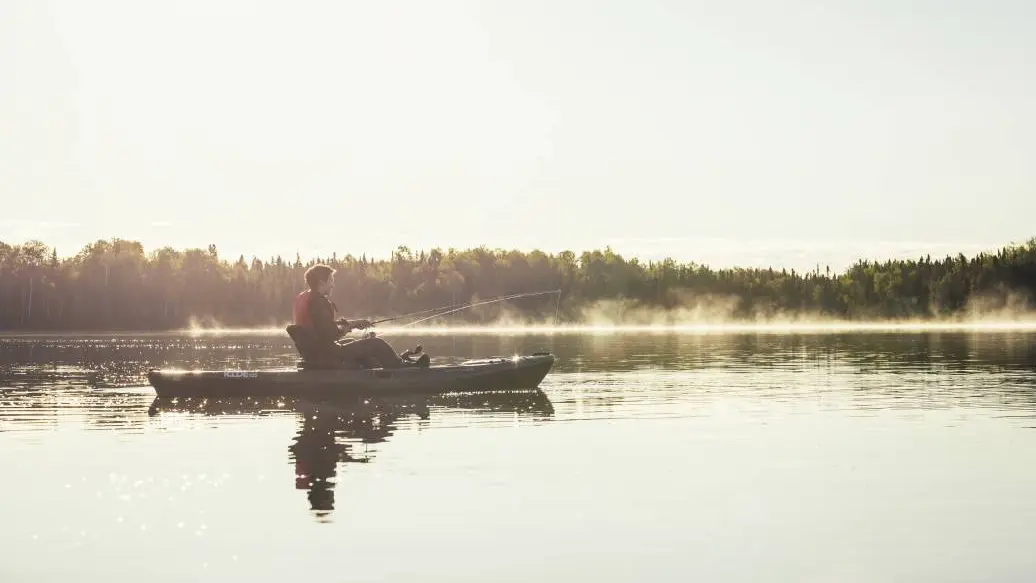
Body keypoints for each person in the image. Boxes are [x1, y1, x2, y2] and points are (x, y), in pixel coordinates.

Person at [292, 264, 427, 368]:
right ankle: (402, 367)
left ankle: (393, 361)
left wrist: (354, 324)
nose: (333, 285)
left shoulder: (307, 298)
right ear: (322, 282)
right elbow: (329, 334)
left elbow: (321, 326)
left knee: (356, 344)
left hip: (316, 354)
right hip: (326, 355)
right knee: (376, 344)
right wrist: (346, 329)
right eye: (331, 280)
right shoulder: (319, 302)